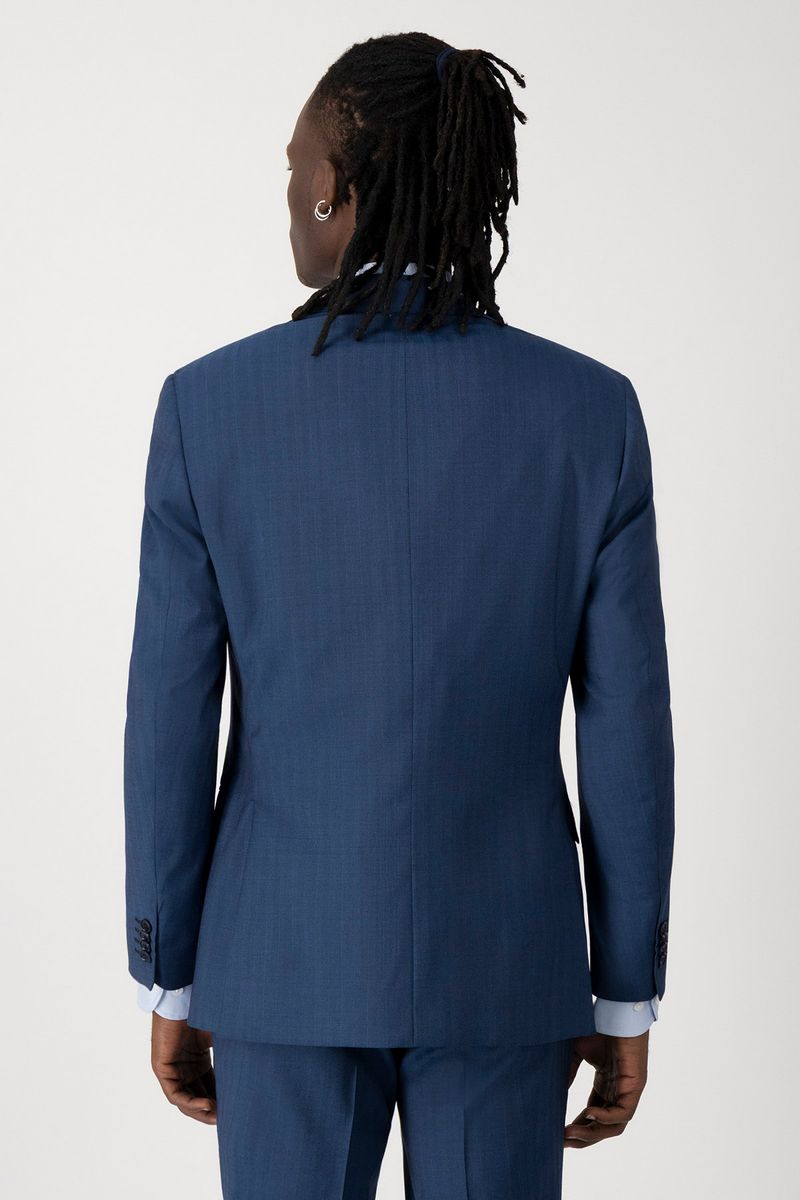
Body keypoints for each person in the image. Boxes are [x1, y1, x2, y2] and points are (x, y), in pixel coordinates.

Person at [124, 31, 675, 1200]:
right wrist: (622, 992)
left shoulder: (208, 411)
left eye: (294, 169)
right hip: (505, 970)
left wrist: (172, 974)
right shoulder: (590, 416)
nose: (288, 195)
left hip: (278, 966)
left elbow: (168, 719)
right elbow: (627, 733)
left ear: (335, 187)